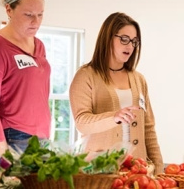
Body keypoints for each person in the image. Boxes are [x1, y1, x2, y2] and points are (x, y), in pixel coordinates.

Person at [69, 12, 164, 174]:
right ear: (108, 38)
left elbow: (148, 128)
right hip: (99, 169)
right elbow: (82, 122)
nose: (130, 46)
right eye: (124, 39)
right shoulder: (86, 75)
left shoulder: (138, 79)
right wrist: (113, 117)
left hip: (138, 169)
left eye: (134, 41)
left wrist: (159, 169)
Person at [0, 0, 50, 155]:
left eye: (40, 14)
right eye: (29, 14)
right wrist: (0, 150)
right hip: (15, 137)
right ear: (9, 9)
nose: (36, 21)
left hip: (43, 138)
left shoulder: (39, 45)